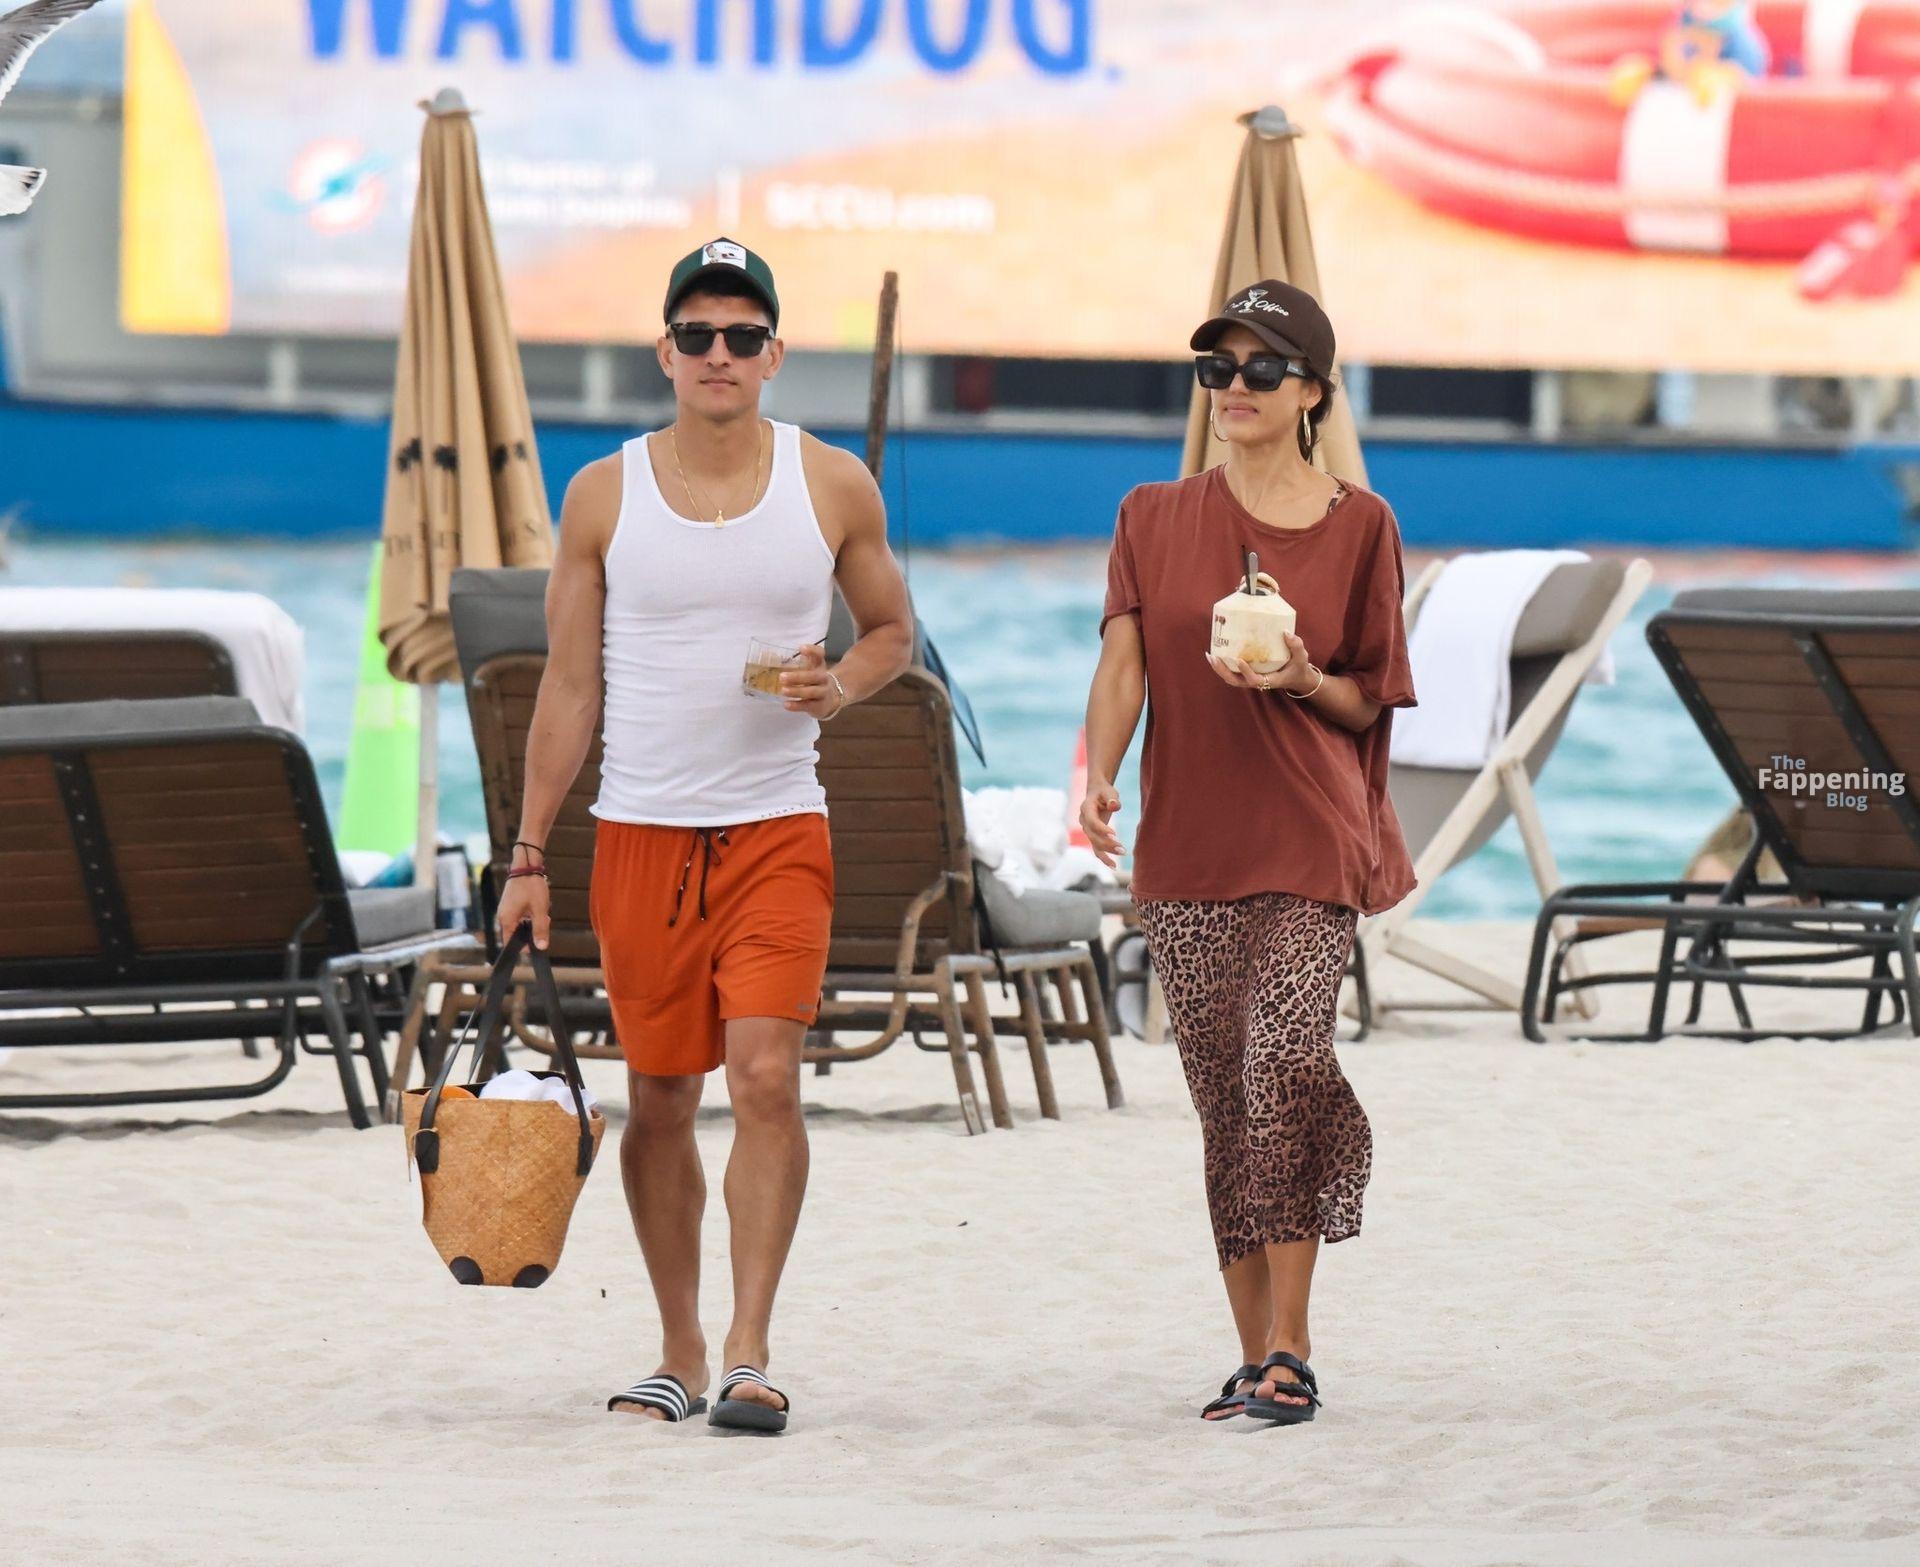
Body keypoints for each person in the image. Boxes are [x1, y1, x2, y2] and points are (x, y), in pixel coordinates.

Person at [493, 237, 913, 1432]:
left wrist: (839, 686)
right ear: (664, 352)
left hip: (779, 824)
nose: (718, 352)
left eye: (741, 335)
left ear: (774, 354)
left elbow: (891, 631)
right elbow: (570, 686)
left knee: (767, 1077)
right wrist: (528, 854)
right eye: (696, 334)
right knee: (663, 1095)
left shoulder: (832, 483)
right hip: (642, 833)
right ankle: (677, 1347)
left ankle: (747, 1349)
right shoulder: (602, 494)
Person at [1078, 280, 1416, 1428]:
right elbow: (1124, 664)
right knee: (1226, 1101)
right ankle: (1249, 1353)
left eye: (1262, 369)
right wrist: (1100, 774)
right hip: (1186, 841)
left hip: (1313, 831)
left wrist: (1302, 676)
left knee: (1281, 1062)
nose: (1233, 387)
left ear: (1314, 391)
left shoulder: (1362, 525)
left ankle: (1292, 1344)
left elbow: (1369, 698)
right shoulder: (1150, 514)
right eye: (1215, 368)